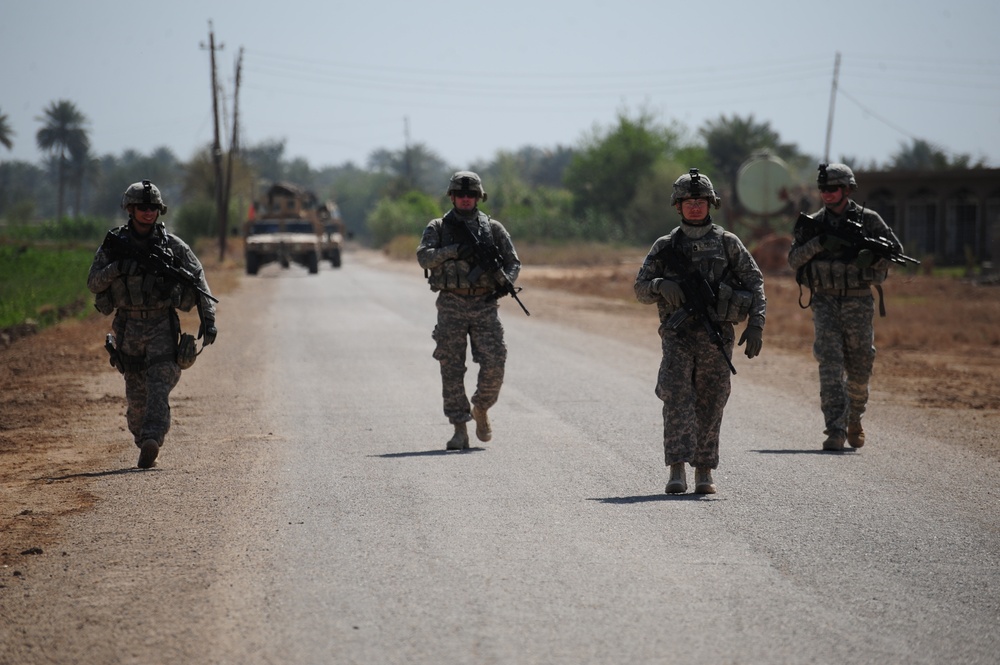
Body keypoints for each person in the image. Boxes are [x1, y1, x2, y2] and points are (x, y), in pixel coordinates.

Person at [634, 169, 766, 494]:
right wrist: (660, 285)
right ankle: (676, 469)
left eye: (701, 201)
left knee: (713, 398)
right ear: (678, 206)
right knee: (676, 395)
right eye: (688, 201)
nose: (695, 206)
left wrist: (757, 323)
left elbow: (755, 283)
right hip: (677, 335)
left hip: (716, 335)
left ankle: (704, 470)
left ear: (711, 204)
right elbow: (639, 289)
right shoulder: (666, 246)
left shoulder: (727, 243)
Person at [87, 180, 218, 468]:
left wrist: (208, 319)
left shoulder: (172, 246)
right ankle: (142, 437)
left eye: (153, 207)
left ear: (159, 210)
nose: (148, 212)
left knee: (159, 384)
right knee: (136, 398)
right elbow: (93, 282)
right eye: (142, 207)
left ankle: (152, 438)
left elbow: (199, 282)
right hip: (128, 327)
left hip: (162, 326)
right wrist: (119, 268)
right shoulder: (115, 245)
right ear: (131, 209)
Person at [788, 163, 904, 451]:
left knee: (861, 366)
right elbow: (794, 260)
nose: (827, 194)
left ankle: (855, 418)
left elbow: (895, 252)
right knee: (830, 364)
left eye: (833, 188)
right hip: (824, 300)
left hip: (858, 300)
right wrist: (818, 243)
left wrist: (870, 258)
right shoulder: (812, 223)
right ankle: (835, 430)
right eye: (823, 189)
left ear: (848, 189)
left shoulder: (870, 221)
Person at [416, 171, 521, 451]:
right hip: (451, 304)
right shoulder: (438, 226)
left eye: (471, 194)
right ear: (452, 196)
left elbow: (513, 262)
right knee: (451, 367)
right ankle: (459, 429)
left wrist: (504, 282)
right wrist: (453, 250)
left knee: (495, 362)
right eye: (460, 194)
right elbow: (423, 256)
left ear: (479, 197)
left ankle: (481, 408)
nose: (465, 199)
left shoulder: (493, 228)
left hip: (485, 305)